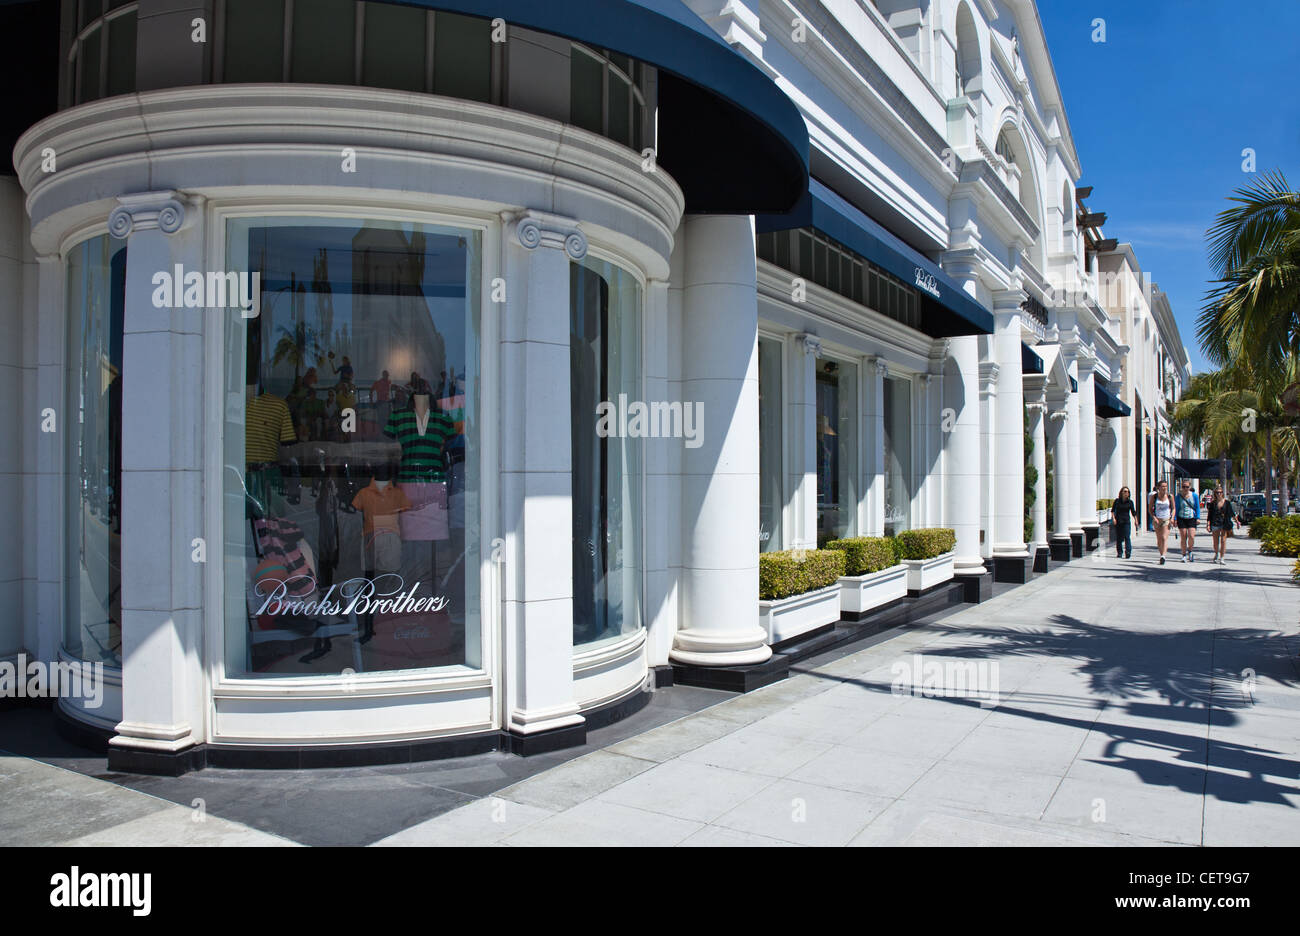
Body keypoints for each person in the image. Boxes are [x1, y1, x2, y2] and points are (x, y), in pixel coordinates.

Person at [1206, 487, 1236, 564]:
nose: (1219, 494)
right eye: (1217, 492)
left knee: (1223, 541)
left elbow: (1232, 513)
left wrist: (1237, 521)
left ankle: (1222, 557)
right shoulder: (1212, 503)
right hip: (1215, 523)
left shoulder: (1227, 503)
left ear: (1222, 493)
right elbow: (1209, 515)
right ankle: (1216, 554)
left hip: (1224, 523)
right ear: (1215, 494)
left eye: (1220, 492)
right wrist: (1208, 524)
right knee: (1215, 542)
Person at [1148, 480, 1174, 564]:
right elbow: (1150, 509)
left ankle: (1163, 555)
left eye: (1165, 486)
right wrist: (1154, 517)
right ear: (1158, 487)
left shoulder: (1170, 496)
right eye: (1162, 486)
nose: (1164, 488)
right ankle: (1161, 554)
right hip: (1157, 519)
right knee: (1159, 539)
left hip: (1166, 519)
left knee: (1164, 538)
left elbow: (1173, 508)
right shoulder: (1154, 497)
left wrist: (1172, 518)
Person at [1174, 480, 1201, 562]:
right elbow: (1176, 508)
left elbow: (1197, 507)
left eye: (1187, 487)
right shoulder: (1178, 496)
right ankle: (1184, 554)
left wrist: (1198, 517)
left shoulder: (1194, 496)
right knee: (1183, 537)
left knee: (1191, 536)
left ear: (1189, 487)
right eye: (1183, 487)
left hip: (1191, 517)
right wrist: (1175, 519)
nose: (1185, 488)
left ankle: (1190, 550)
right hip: (1181, 517)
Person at [1111, 486, 1139, 558]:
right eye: (1125, 491)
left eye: (1127, 492)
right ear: (1121, 493)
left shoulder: (1130, 502)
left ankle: (1128, 552)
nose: (1126, 493)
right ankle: (1119, 552)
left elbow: (1133, 512)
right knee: (1119, 538)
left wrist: (1136, 520)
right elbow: (1113, 511)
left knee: (1127, 537)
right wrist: (1113, 519)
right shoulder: (1117, 501)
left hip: (1126, 521)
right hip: (1118, 521)